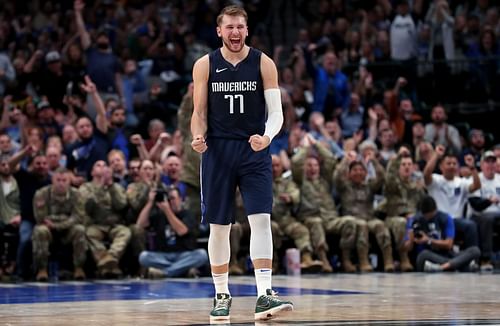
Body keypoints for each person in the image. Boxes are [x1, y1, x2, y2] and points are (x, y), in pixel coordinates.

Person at [190, 5, 293, 322]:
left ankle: (264, 294)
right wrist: (197, 136)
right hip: (218, 151)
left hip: (254, 149)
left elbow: (276, 113)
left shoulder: (264, 63)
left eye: (240, 27)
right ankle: (221, 294)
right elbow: (199, 113)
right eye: (229, 27)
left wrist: (267, 136)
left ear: (247, 30)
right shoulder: (205, 65)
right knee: (220, 227)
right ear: (219, 31)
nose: (235, 32)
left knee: (261, 219)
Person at [137, 185, 208, 278]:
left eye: (173, 198)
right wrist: (150, 202)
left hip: (184, 254)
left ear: (180, 199)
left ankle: (165, 273)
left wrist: (167, 211)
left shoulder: (188, 214)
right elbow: (140, 225)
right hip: (163, 256)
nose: (170, 202)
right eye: (168, 199)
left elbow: (181, 231)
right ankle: (182, 270)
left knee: (201, 255)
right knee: (144, 257)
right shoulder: (159, 215)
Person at [404, 196, 480, 272]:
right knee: (422, 255)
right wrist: (411, 239)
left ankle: (445, 266)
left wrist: (428, 240)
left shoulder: (445, 218)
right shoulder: (414, 220)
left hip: (446, 254)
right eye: (425, 216)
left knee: (475, 250)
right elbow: (408, 248)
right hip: (428, 255)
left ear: (435, 210)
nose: (427, 218)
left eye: (430, 215)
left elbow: (448, 244)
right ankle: (459, 265)